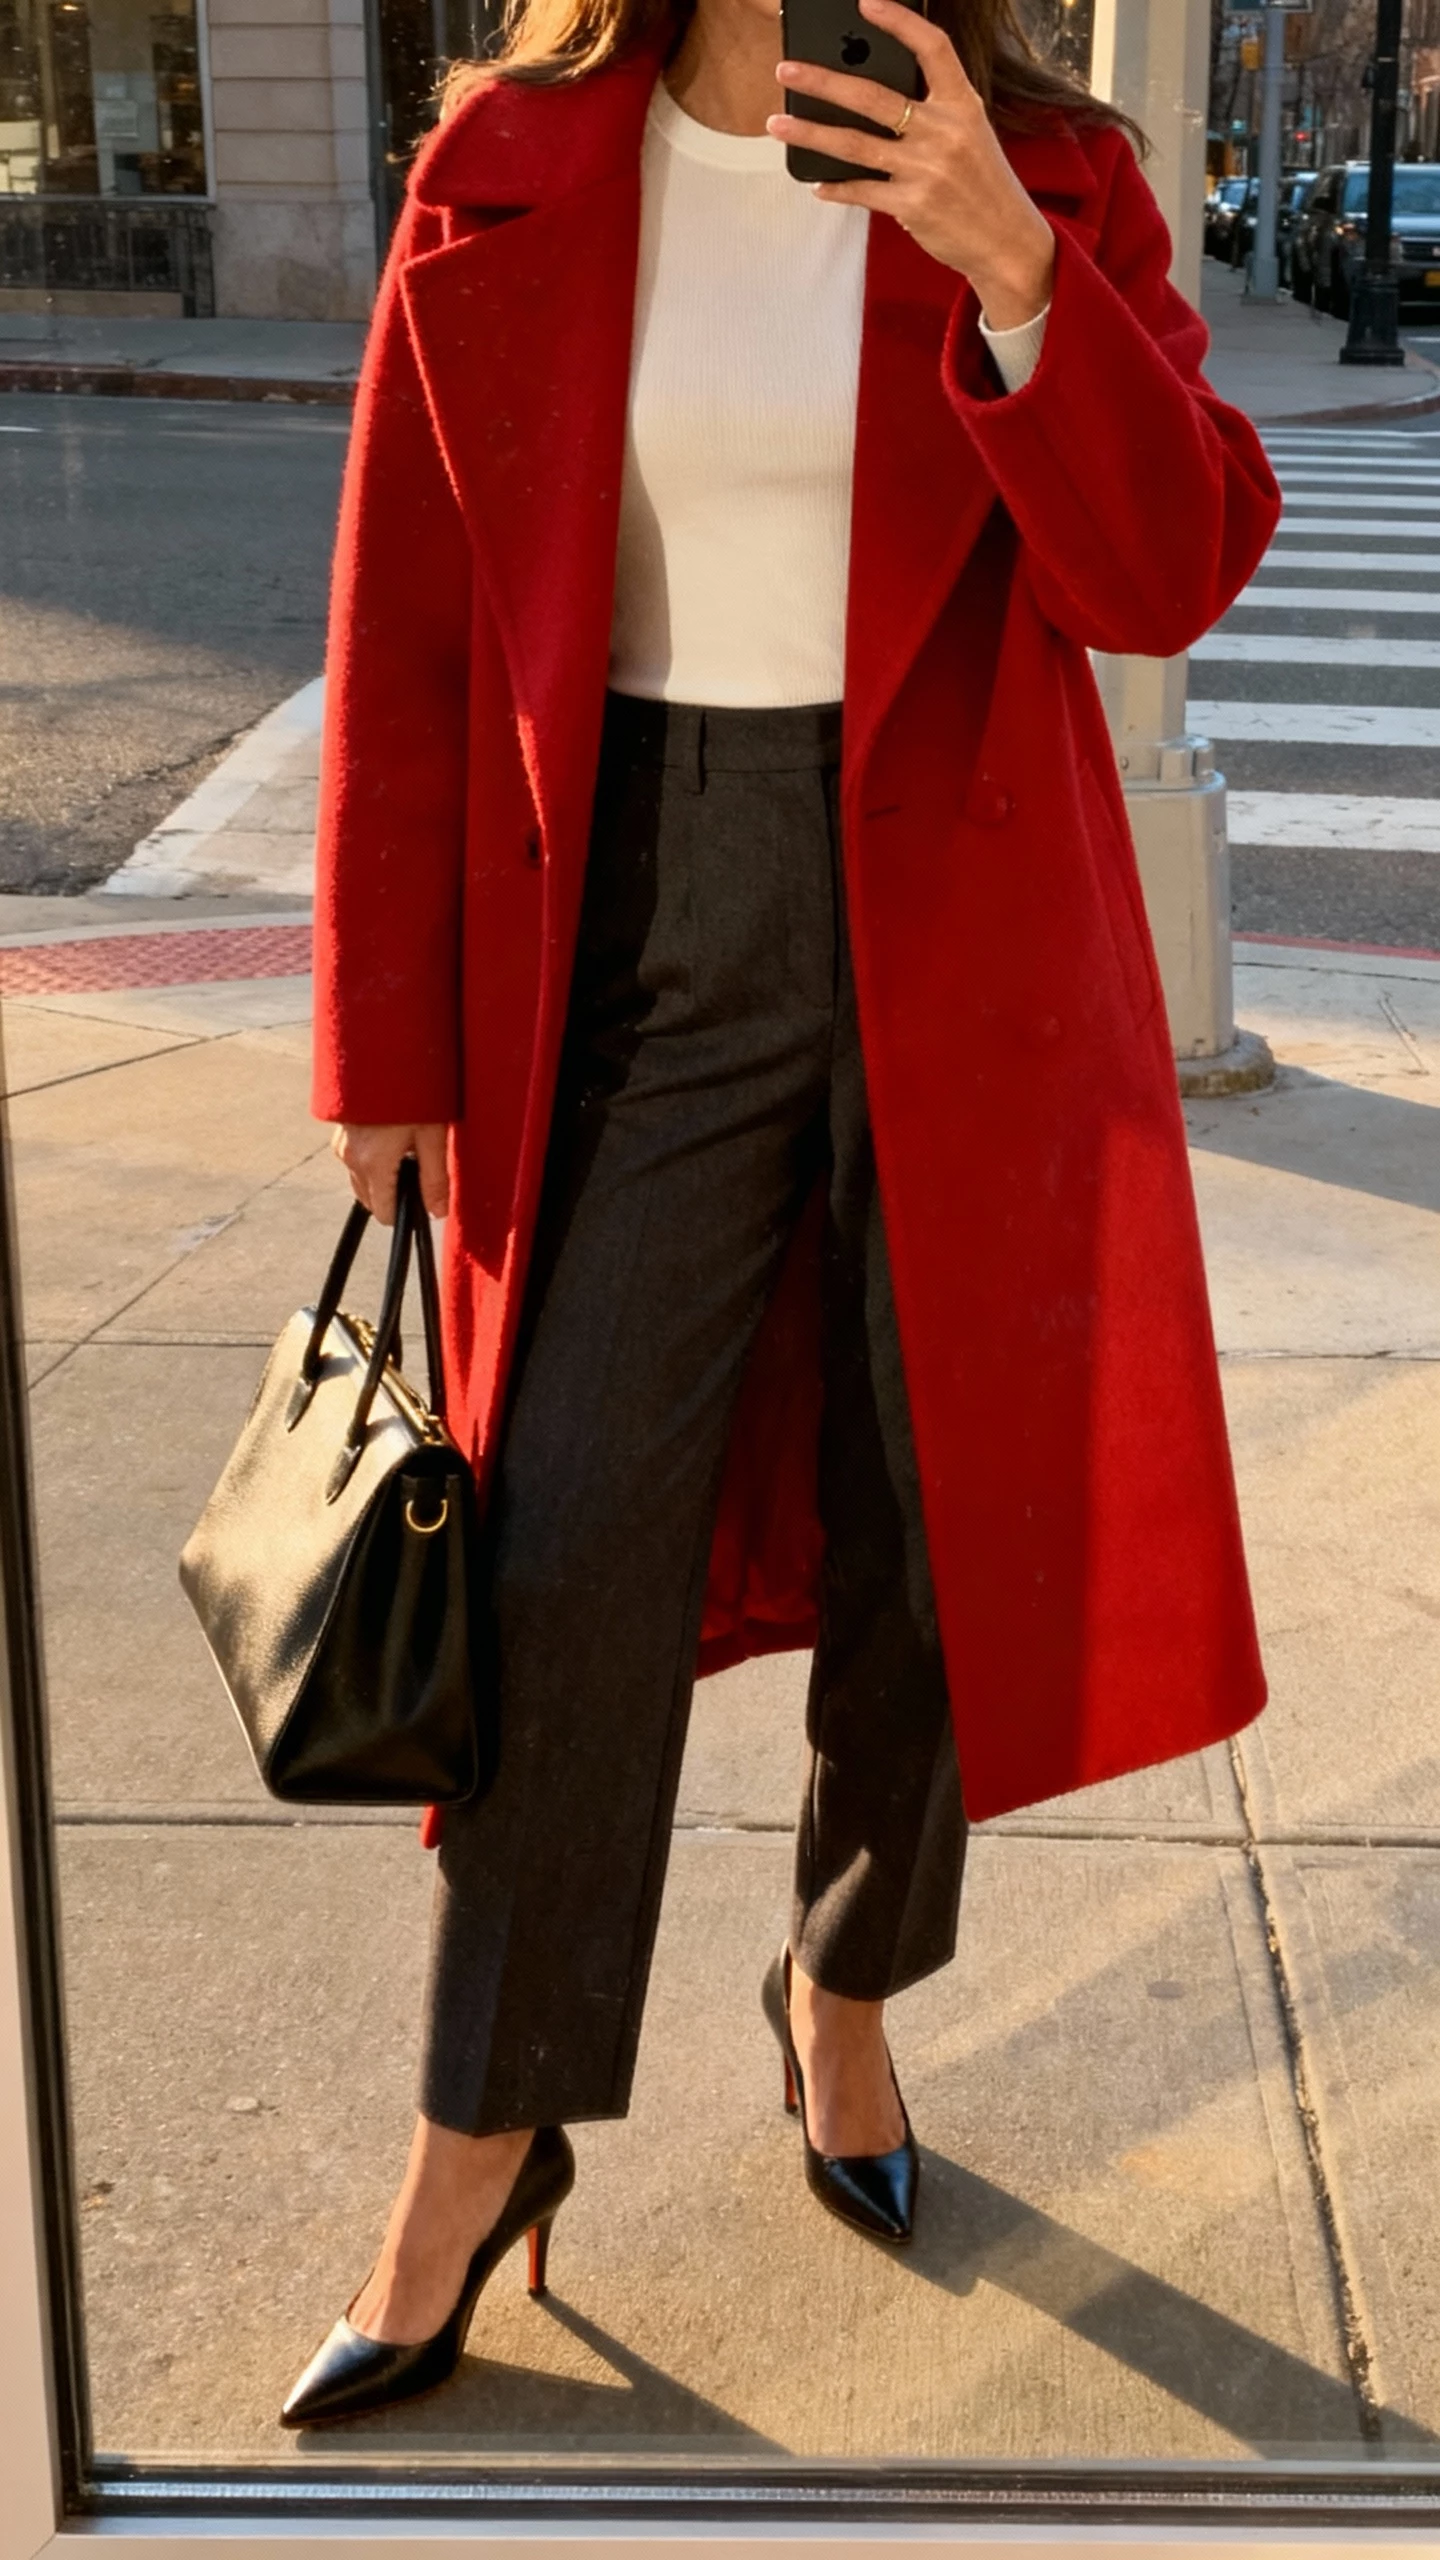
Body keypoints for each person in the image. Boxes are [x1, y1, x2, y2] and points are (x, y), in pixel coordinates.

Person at [282, 0, 1281, 2429]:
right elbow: (407, 618)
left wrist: (1013, 271)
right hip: (633, 929)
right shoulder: (516, 154)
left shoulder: (1037, 165)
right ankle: (482, 2129)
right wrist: (383, 1035)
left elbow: (1167, 572)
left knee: (934, 1534)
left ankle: (844, 1989)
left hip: (970, 936)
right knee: (558, 1543)